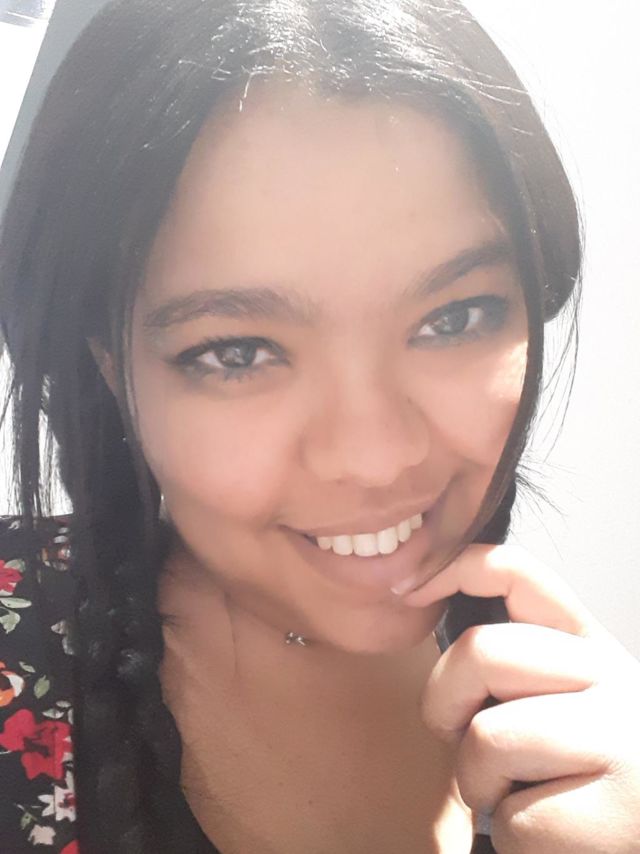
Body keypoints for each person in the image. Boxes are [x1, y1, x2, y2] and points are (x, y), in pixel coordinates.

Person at [0, 0, 638, 852]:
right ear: (114, 369)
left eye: (453, 318)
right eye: (237, 353)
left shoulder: (564, 703)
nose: (377, 459)